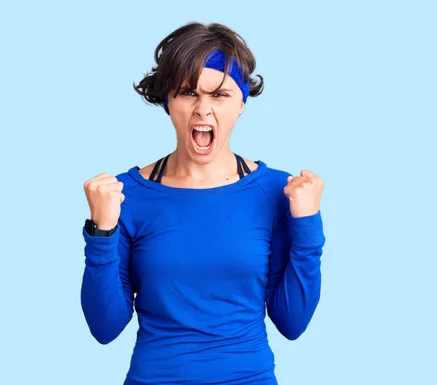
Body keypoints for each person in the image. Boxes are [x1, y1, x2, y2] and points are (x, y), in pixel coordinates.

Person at [80, 22, 326, 385]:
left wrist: (308, 226)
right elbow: (104, 327)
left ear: (242, 102)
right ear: (168, 101)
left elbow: (292, 323)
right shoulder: (123, 195)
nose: (203, 110)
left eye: (220, 95)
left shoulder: (279, 192)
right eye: (187, 92)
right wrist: (101, 234)